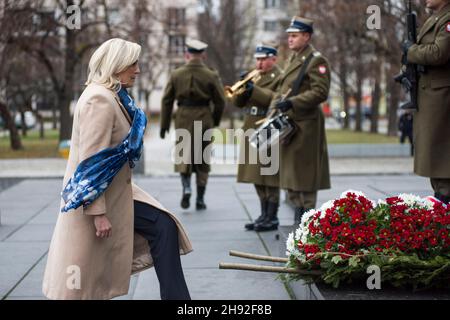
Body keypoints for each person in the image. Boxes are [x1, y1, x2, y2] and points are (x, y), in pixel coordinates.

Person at [42, 38, 192, 300]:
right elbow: (91, 162)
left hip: (117, 192)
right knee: (81, 284)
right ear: (117, 64)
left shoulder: (113, 96)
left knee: (163, 226)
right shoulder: (99, 100)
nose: (138, 70)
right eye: (133, 64)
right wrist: (98, 213)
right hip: (98, 198)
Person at [270, 16, 331, 225]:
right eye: (289, 36)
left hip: (306, 126)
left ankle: (308, 220)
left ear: (306, 36)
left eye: (294, 36)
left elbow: (320, 92)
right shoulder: (294, 59)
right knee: (292, 176)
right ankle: (298, 219)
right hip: (291, 125)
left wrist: (293, 103)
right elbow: (281, 91)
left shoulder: (316, 60)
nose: (290, 40)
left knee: (305, 176)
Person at [160, 39, 225, 210]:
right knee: (203, 158)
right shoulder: (211, 75)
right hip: (204, 117)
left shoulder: (176, 74)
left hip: (183, 118)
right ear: (203, 54)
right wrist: (215, 120)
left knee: (183, 155)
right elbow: (220, 101)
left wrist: (164, 125)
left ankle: (186, 187)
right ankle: (200, 199)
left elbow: (167, 100)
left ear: (187, 54)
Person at [231, 43, 282, 232]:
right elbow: (237, 102)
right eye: (257, 59)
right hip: (250, 124)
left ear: (273, 59)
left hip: (267, 124)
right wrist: (242, 87)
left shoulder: (280, 76)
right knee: (254, 173)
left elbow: (275, 98)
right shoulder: (255, 76)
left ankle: (272, 216)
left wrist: (253, 89)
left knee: (269, 173)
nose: (259, 63)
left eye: (263, 59)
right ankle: (263, 214)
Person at [405, 0, 450, 204]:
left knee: (441, 153)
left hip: (441, 96)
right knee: (435, 154)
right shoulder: (436, 18)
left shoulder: (447, 19)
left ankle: (444, 202)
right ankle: (441, 200)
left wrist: (411, 50)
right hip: (431, 94)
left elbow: (440, 53)